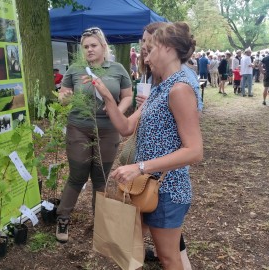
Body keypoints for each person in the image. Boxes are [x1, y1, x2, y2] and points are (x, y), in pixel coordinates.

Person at [88, 22, 203, 270]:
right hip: (145, 186)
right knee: (131, 247)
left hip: (167, 190)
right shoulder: (161, 87)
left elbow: (194, 150)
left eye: (150, 50)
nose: (146, 57)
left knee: (168, 257)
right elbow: (127, 127)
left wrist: (139, 167)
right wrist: (108, 96)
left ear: (170, 49)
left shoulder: (180, 88)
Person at [56, 27, 132, 243]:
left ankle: (100, 222)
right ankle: (63, 217)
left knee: (100, 179)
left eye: (93, 45)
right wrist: (65, 97)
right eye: (85, 46)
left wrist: (118, 109)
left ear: (103, 47)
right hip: (78, 128)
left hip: (108, 131)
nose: (89, 50)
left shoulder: (117, 69)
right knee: (77, 175)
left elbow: (128, 95)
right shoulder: (75, 69)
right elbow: (63, 94)